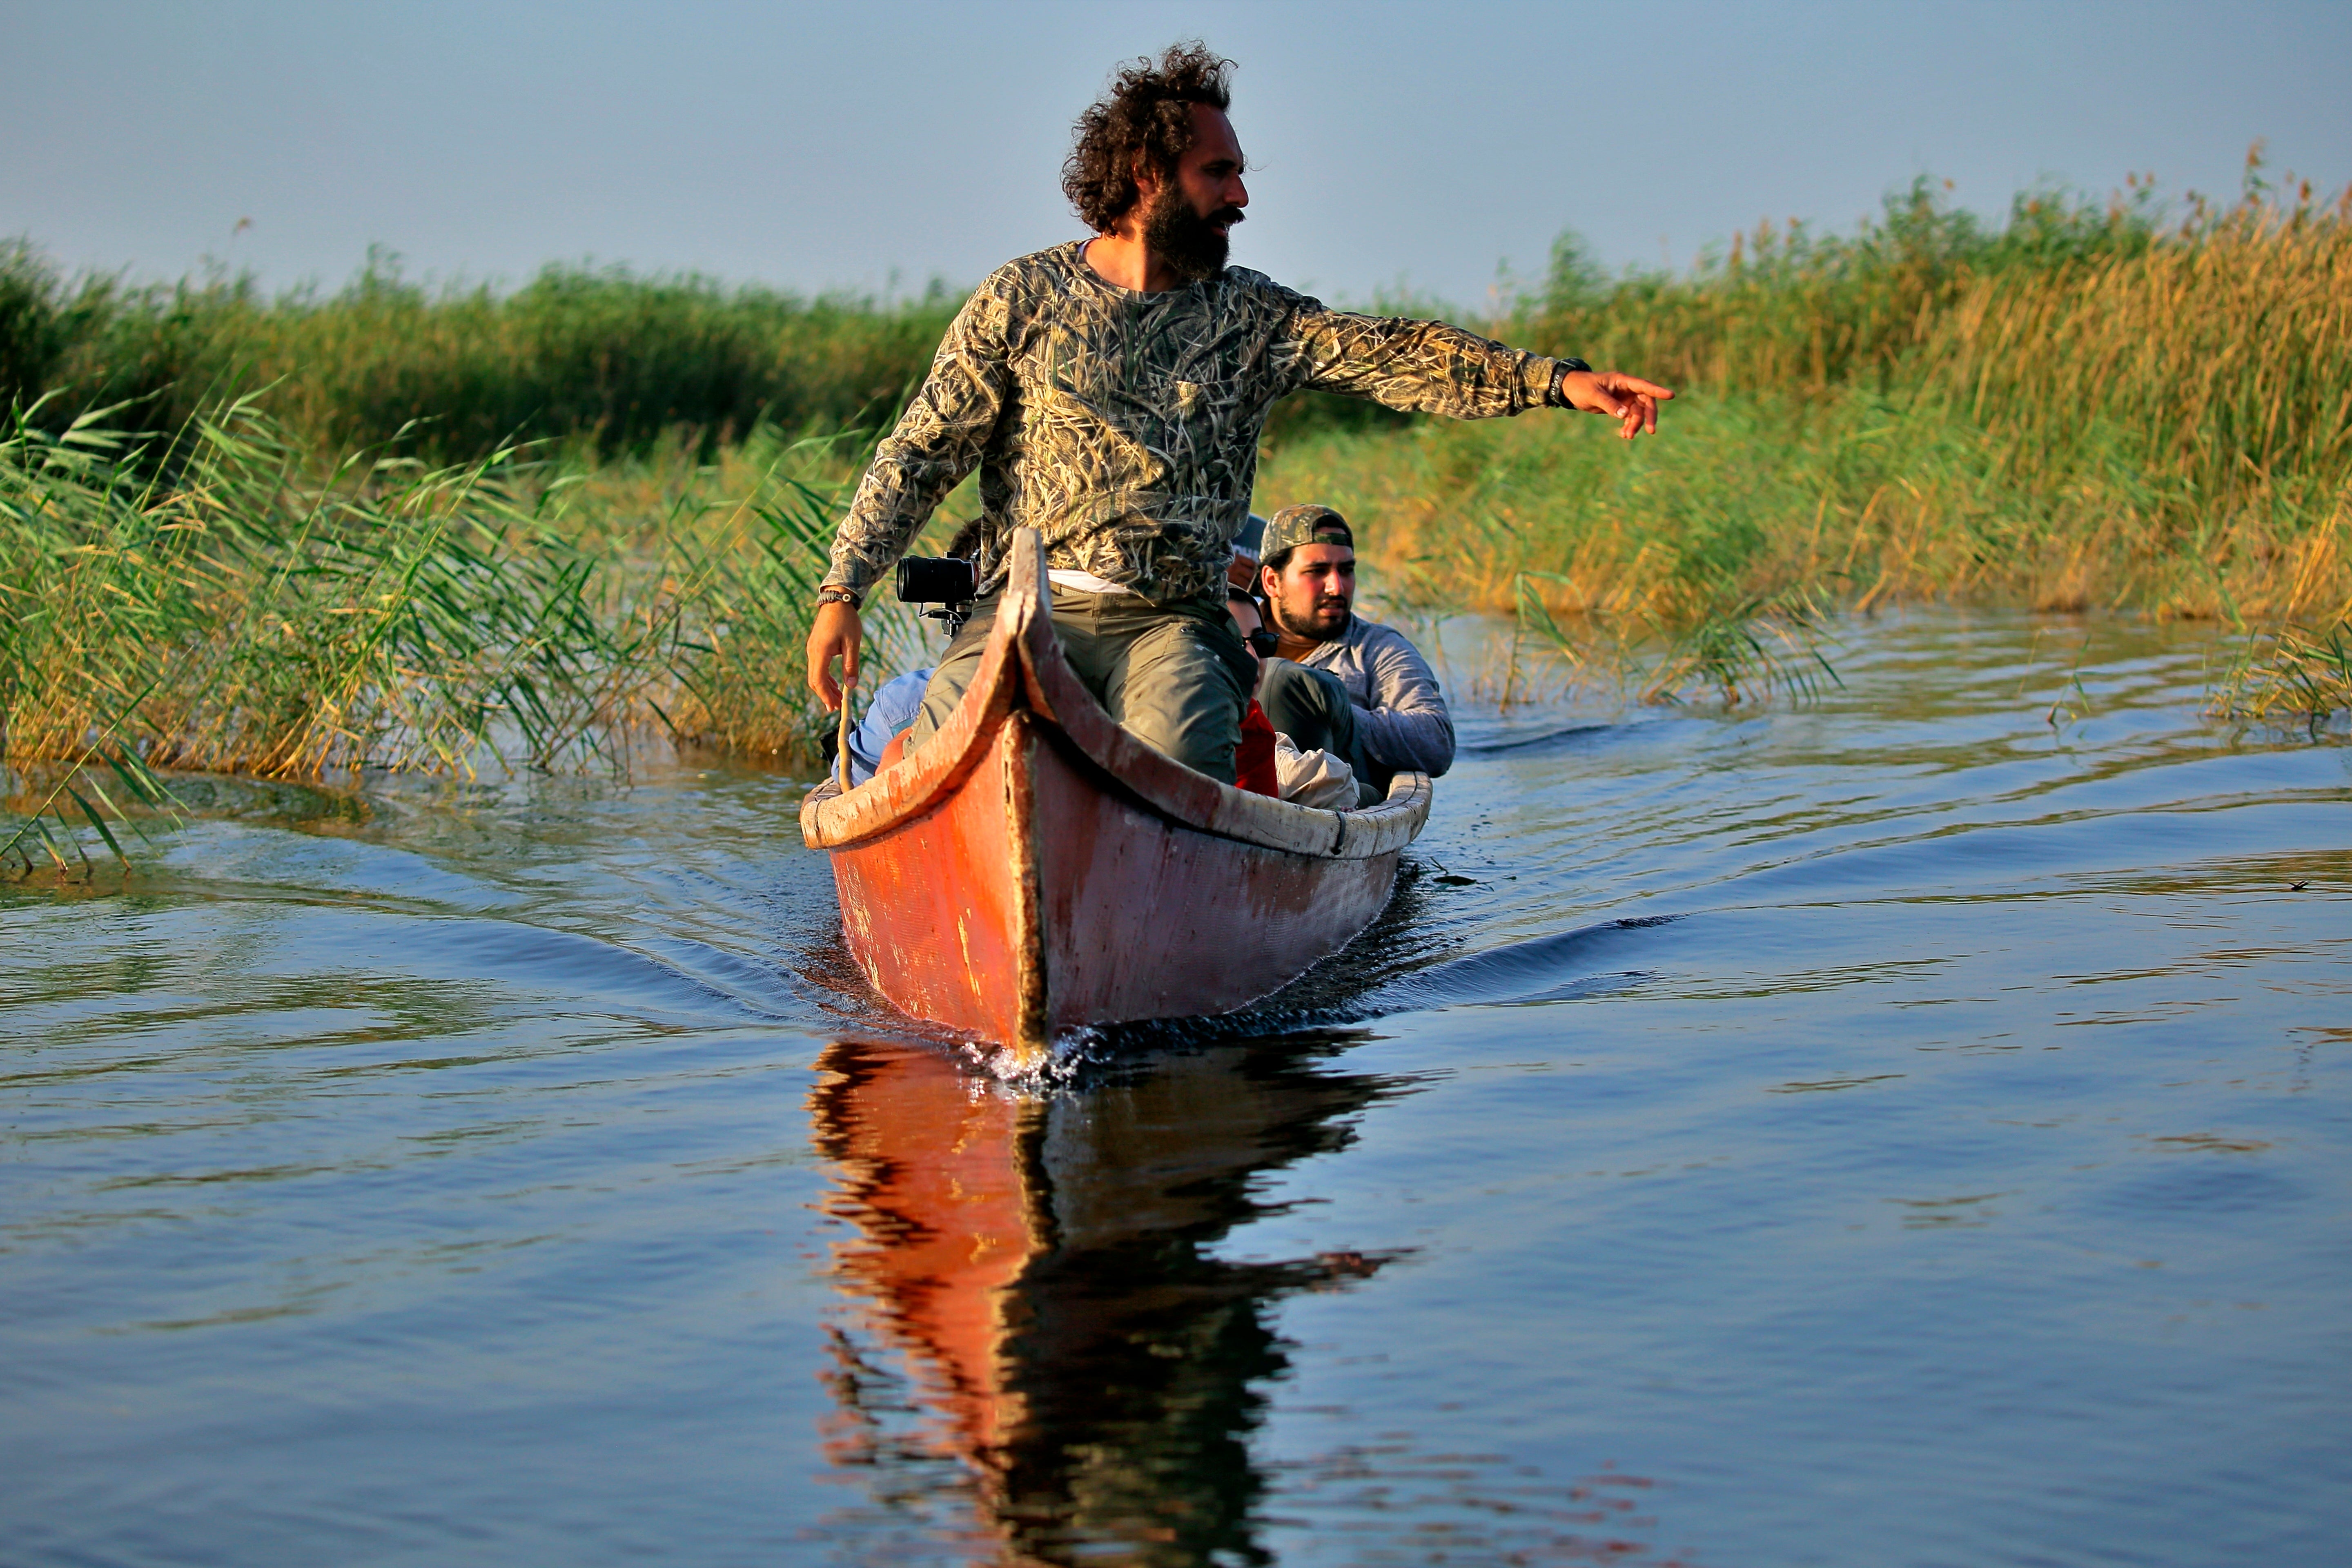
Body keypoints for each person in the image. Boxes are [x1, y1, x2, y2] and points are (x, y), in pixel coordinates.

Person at [806, 42, 1671, 784]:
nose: (1241, 198)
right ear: (1148, 174)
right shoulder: (1022, 299)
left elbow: (1391, 352)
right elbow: (920, 452)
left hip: (1175, 623)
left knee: (1176, 772)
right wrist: (843, 589)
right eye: (1219, 173)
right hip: (1030, 616)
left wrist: (1558, 381)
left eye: (1240, 176)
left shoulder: (1250, 318)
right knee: (958, 754)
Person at [1252, 503, 1450, 804]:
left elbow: (1436, 740)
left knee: (1287, 681)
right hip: (1243, 786)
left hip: (1343, 800)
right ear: (1271, 582)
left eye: (1346, 570)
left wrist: (1332, 711)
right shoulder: (1235, 634)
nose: (1336, 587)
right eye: (1317, 572)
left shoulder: (1377, 648)